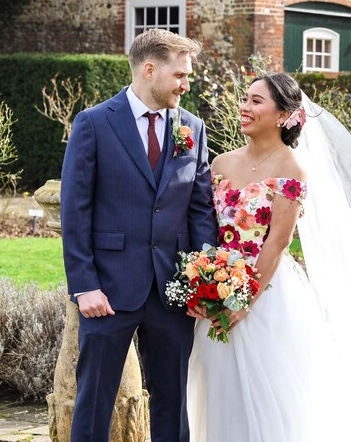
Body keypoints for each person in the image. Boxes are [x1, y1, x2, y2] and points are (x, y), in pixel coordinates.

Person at [186, 72, 351, 441]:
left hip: (267, 296)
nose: (244, 108)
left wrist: (243, 303)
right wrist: (203, 287)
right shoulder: (220, 164)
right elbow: (203, 230)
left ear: (284, 115)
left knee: (271, 398)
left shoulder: (292, 168)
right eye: (245, 99)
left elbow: (277, 243)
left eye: (256, 101)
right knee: (219, 394)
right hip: (217, 290)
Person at [60, 29, 218, 442]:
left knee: (173, 402)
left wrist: (201, 283)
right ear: (149, 70)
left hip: (173, 292)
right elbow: (75, 210)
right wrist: (84, 286)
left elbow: (201, 209)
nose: (187, 84)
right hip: (108, 293)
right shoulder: (94, 123)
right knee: (94, 400)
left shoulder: (193, 128)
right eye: (180, 75)